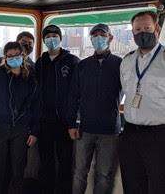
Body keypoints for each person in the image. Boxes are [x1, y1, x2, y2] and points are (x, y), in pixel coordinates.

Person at [0, 41, 40, 194]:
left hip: (21, 129)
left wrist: (35, 131)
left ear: (23, 56)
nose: (13, 58)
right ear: (5, 57)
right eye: (9, 56)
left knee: (18, 168)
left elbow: (36, 106)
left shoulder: (31, 78)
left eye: (17, 55)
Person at [67, 23, 122, 194]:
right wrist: (71, 124)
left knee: (104, 174)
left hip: (110, 130)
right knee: (79, 172)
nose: (99, 39)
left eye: (103, 36)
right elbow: (73, 96)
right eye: (95, 36)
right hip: (85, 129)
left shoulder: (120, 64)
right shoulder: (82, 66)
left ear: (110, 38)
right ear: (91, 39)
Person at [119, 11, 165, 194]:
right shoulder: (127, 61)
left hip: (159, 135)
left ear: (157, 29)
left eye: (147, 28)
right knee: (131, 183)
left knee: (159, 185)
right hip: (130, 133)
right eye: (137, 29)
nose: (142, 33)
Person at [36, 25, 80, 194]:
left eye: (54, 35)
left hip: (65, 122)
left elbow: (77, 93)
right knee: (45, 161)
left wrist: (73, 121)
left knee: (65, 162)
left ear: (60, 38)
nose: (51, 39)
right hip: (44, 121)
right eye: (47, 36)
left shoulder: (72, 61)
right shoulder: (41, 61)